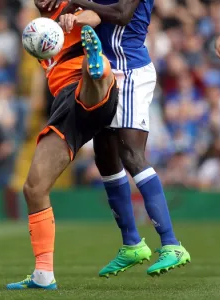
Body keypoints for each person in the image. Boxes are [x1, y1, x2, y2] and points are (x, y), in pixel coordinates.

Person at [39, 0, 191, 277]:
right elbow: (93, 13)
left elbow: (121, 15)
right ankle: (131, 244)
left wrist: (75, 2)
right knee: (105, 158)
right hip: (106, 71)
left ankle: (171, 244)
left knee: (131, 155)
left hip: (130, 70)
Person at [6, 1, 119, 290]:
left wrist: (77, 20)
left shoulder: (72, 8)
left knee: (88, 80)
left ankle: (98, 70)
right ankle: (43, 275)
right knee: (34, 188)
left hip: (84, 89)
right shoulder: (36, 27)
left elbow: (93, 16)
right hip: (66, 107)